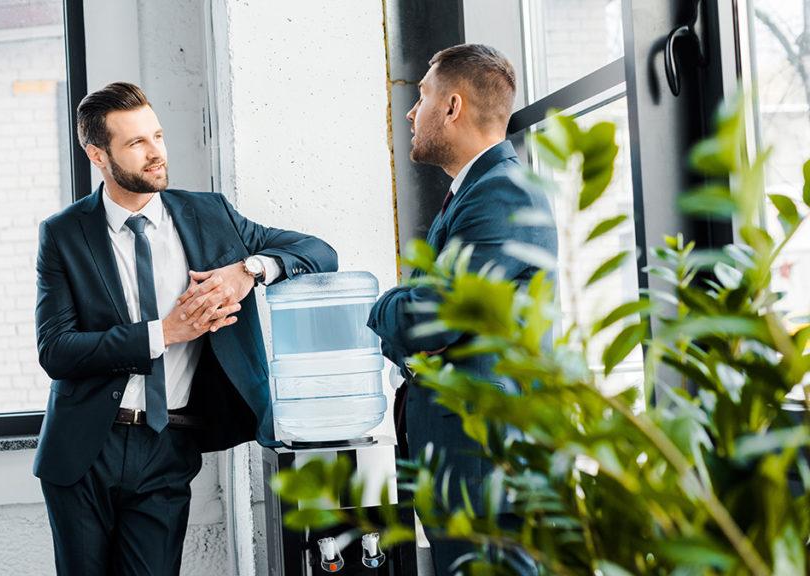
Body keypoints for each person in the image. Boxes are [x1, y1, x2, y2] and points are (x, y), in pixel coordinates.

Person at [33, 81, 337, 576]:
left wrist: (249, 271)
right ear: (97, 155)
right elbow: (56, 350)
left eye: (157, 135)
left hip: (168, 444)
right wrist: (165, 333)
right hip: (85, 448)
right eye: (136, 143)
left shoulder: (210, 215)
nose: (156, 153)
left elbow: (319, 253)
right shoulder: (64, 233)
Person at [367, 44, 556, 574]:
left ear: (452, 106)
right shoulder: (477, 192)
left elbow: (429, 320)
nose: (410, 111)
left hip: (484, 460)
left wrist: (383, 304)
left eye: (421, 96)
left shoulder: (503, 195)